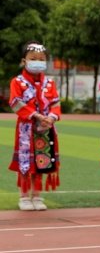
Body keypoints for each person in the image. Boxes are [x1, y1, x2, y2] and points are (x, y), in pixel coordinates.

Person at [9, 42, 61, 211]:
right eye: (33, 59)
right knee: (26, 161)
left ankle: (37, 195)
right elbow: (15, 102)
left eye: (41, 59)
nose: (37, 61)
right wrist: (36, 115)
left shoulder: (50, 83)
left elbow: (55, 102)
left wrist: (51, 118)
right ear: (24, 61)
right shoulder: (17, 81)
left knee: (41, 160)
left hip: (45, 128)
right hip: (26, 127)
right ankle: (24, 196)